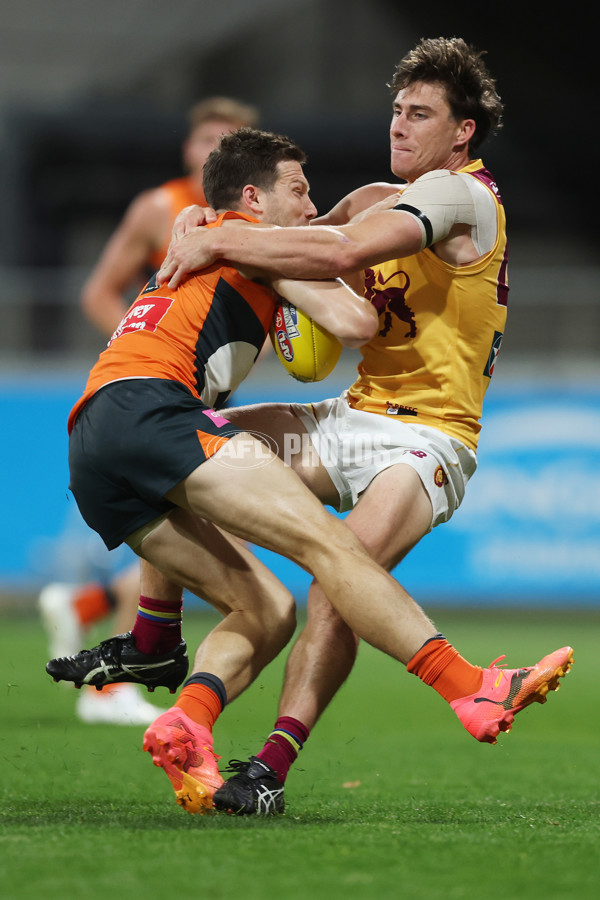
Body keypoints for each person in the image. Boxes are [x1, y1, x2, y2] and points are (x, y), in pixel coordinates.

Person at [154, 38, 574, 816]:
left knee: (335, 582)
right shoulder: (380, 195)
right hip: (350, 415)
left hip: (427, 439)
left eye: (421, 114)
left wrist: (214, 237)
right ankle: (153, 639)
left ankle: (269, 770)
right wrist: (209, 217)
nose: (400, 124)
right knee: (181, 446)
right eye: (397, 109)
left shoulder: (462, 197)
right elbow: (298, 234)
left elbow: (338, 250)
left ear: (463, 133)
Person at [39, 96, 259, 726]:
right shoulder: (162, 208)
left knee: (203, 535)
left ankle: (87, 610)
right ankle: (110, 684)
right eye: (208, 138)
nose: (216, 150)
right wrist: (139, 352)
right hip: (155, 392)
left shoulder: (253, 219)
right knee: (182, 529)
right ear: (188, 148)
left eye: (230, 140)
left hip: (205, 391)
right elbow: (98, 291)